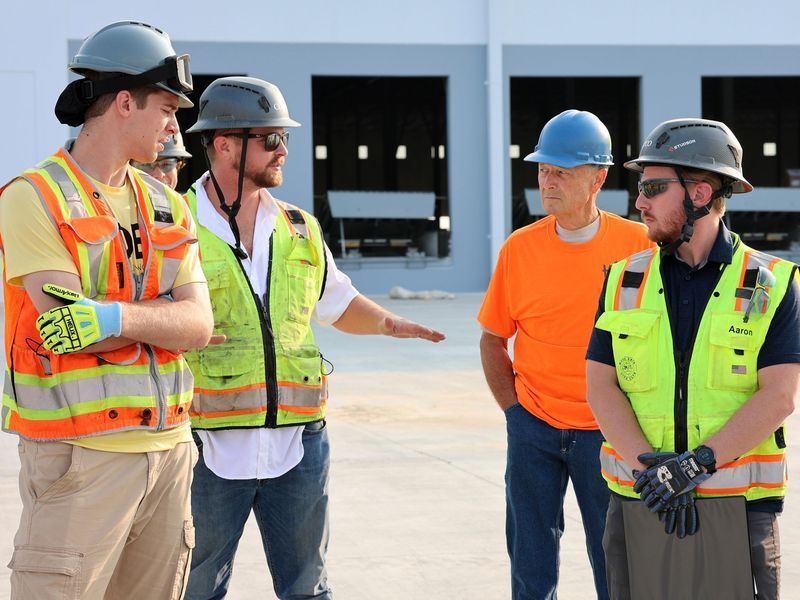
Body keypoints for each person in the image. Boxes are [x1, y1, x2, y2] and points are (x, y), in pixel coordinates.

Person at [181, 76, 445, 600]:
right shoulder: (175, 225)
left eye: (285, 138)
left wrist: (389, 323)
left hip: (298, 447)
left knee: (308, 589)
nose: (283, 150)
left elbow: (337, 302)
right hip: (206, 450)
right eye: (270, 138)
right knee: (193, 589)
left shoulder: (299, 227)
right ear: (225, 143)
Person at [0, 21, 214, 599]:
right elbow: (68, 330)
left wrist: (115, 317)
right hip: (80, 462)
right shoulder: (33, 197)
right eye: (167, 108)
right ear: (124, 103)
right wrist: (159, 312)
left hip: (169, 454)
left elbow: (199, 325)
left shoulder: (169, 206)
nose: (176, 125)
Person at [586, 118, 800, 600]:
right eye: (640, 187)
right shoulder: (622, 280)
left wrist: (694, 465)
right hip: (641, 499)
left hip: (740, 505)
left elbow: (780, 396)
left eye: (653, 188)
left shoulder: (771, 284)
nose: (639, 201)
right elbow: (600, 385)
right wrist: (651, 470)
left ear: (700, 193)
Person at [477, 109, 653, 600]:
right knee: (530, 565)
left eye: (562, 171)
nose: (547, 181)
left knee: (615, 562)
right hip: (533, 426)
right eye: (542, 170)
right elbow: (493, 338)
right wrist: (515, 413)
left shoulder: (638, 248)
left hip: (609, 431)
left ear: (598, 178)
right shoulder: (519, 249)